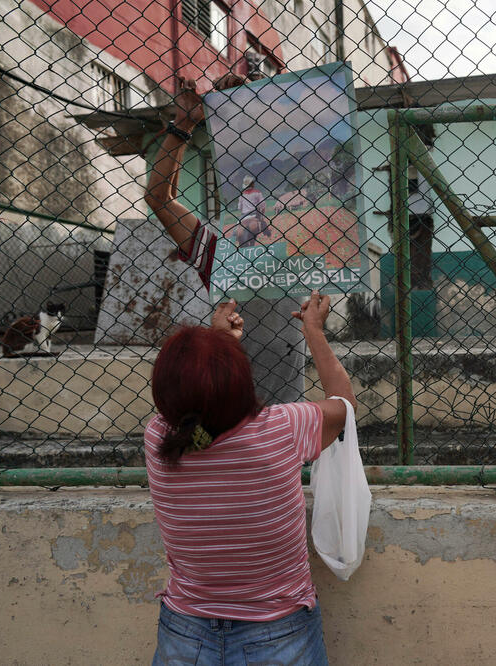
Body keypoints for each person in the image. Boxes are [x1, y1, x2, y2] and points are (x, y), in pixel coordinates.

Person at [146, 290, 353, 665]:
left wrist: (217, 346)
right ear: (243, 380)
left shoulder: (158, 437)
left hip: (186, 630)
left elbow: (202, 419)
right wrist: (313, 331)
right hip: (278, 629)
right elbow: (344, 405)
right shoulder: (281, 428)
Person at [145, 75, 304, 404]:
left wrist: (259, 98)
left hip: (281, 421)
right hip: (232, 416)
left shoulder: (301, 240)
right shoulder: (218, 249)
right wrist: (184, 125)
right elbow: (159, 198)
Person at [235, 175, 271, 247]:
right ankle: (267, 233)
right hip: (254, 213)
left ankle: (235, 237)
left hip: (244, 215)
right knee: (263, 222)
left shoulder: (242, 195)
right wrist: (262, 214)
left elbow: (239, 207)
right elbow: (262, 205)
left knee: (237, 227)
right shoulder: (257, 192)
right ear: (252, 184)